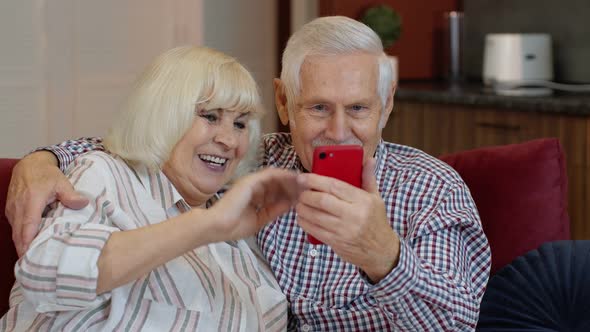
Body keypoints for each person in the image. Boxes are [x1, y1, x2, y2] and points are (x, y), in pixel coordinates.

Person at [6, 16, 491, 330]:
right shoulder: (256, 167)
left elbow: (455, 324)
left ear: (386, 105)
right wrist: (43, 159)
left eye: (359, 108)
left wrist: (384, 256)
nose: (339, 132)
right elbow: (147, 149)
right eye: (318, 108)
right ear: (284, 101)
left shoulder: (429, 187)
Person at [1, 46, 300, 331]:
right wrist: (202, 226)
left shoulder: (243, 238)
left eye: (240, 124)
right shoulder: (106, 175)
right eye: (210, 116)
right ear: (163, 113)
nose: (229, 141)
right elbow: (42, 274)